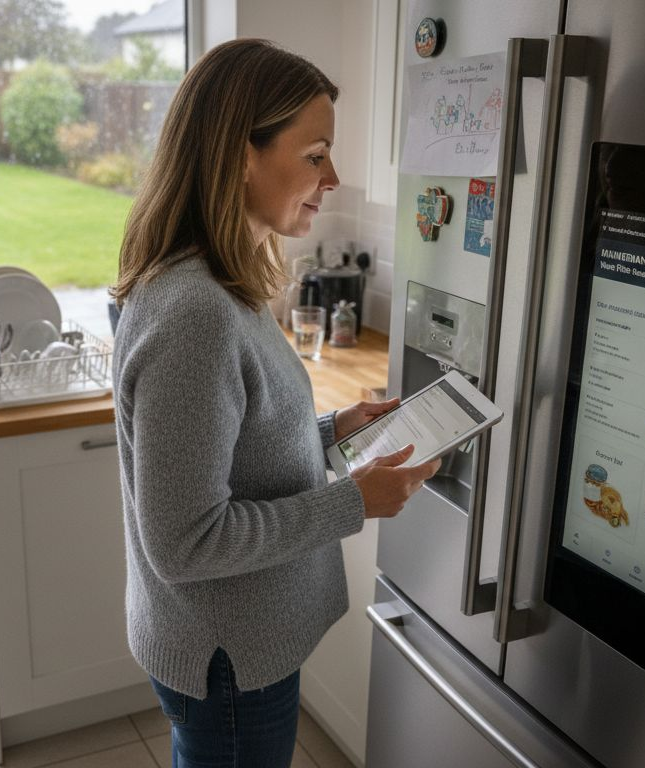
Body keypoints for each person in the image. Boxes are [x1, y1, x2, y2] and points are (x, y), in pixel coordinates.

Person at [111, 39, 440, 768]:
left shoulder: (220, 283)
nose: (334, 177)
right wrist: (355, 501)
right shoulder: (195, 311)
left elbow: (232, 453)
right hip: (228, 658)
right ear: (241, 154)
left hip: (226, 646)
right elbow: (186, 541)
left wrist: (332, 430)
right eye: (316, 154)